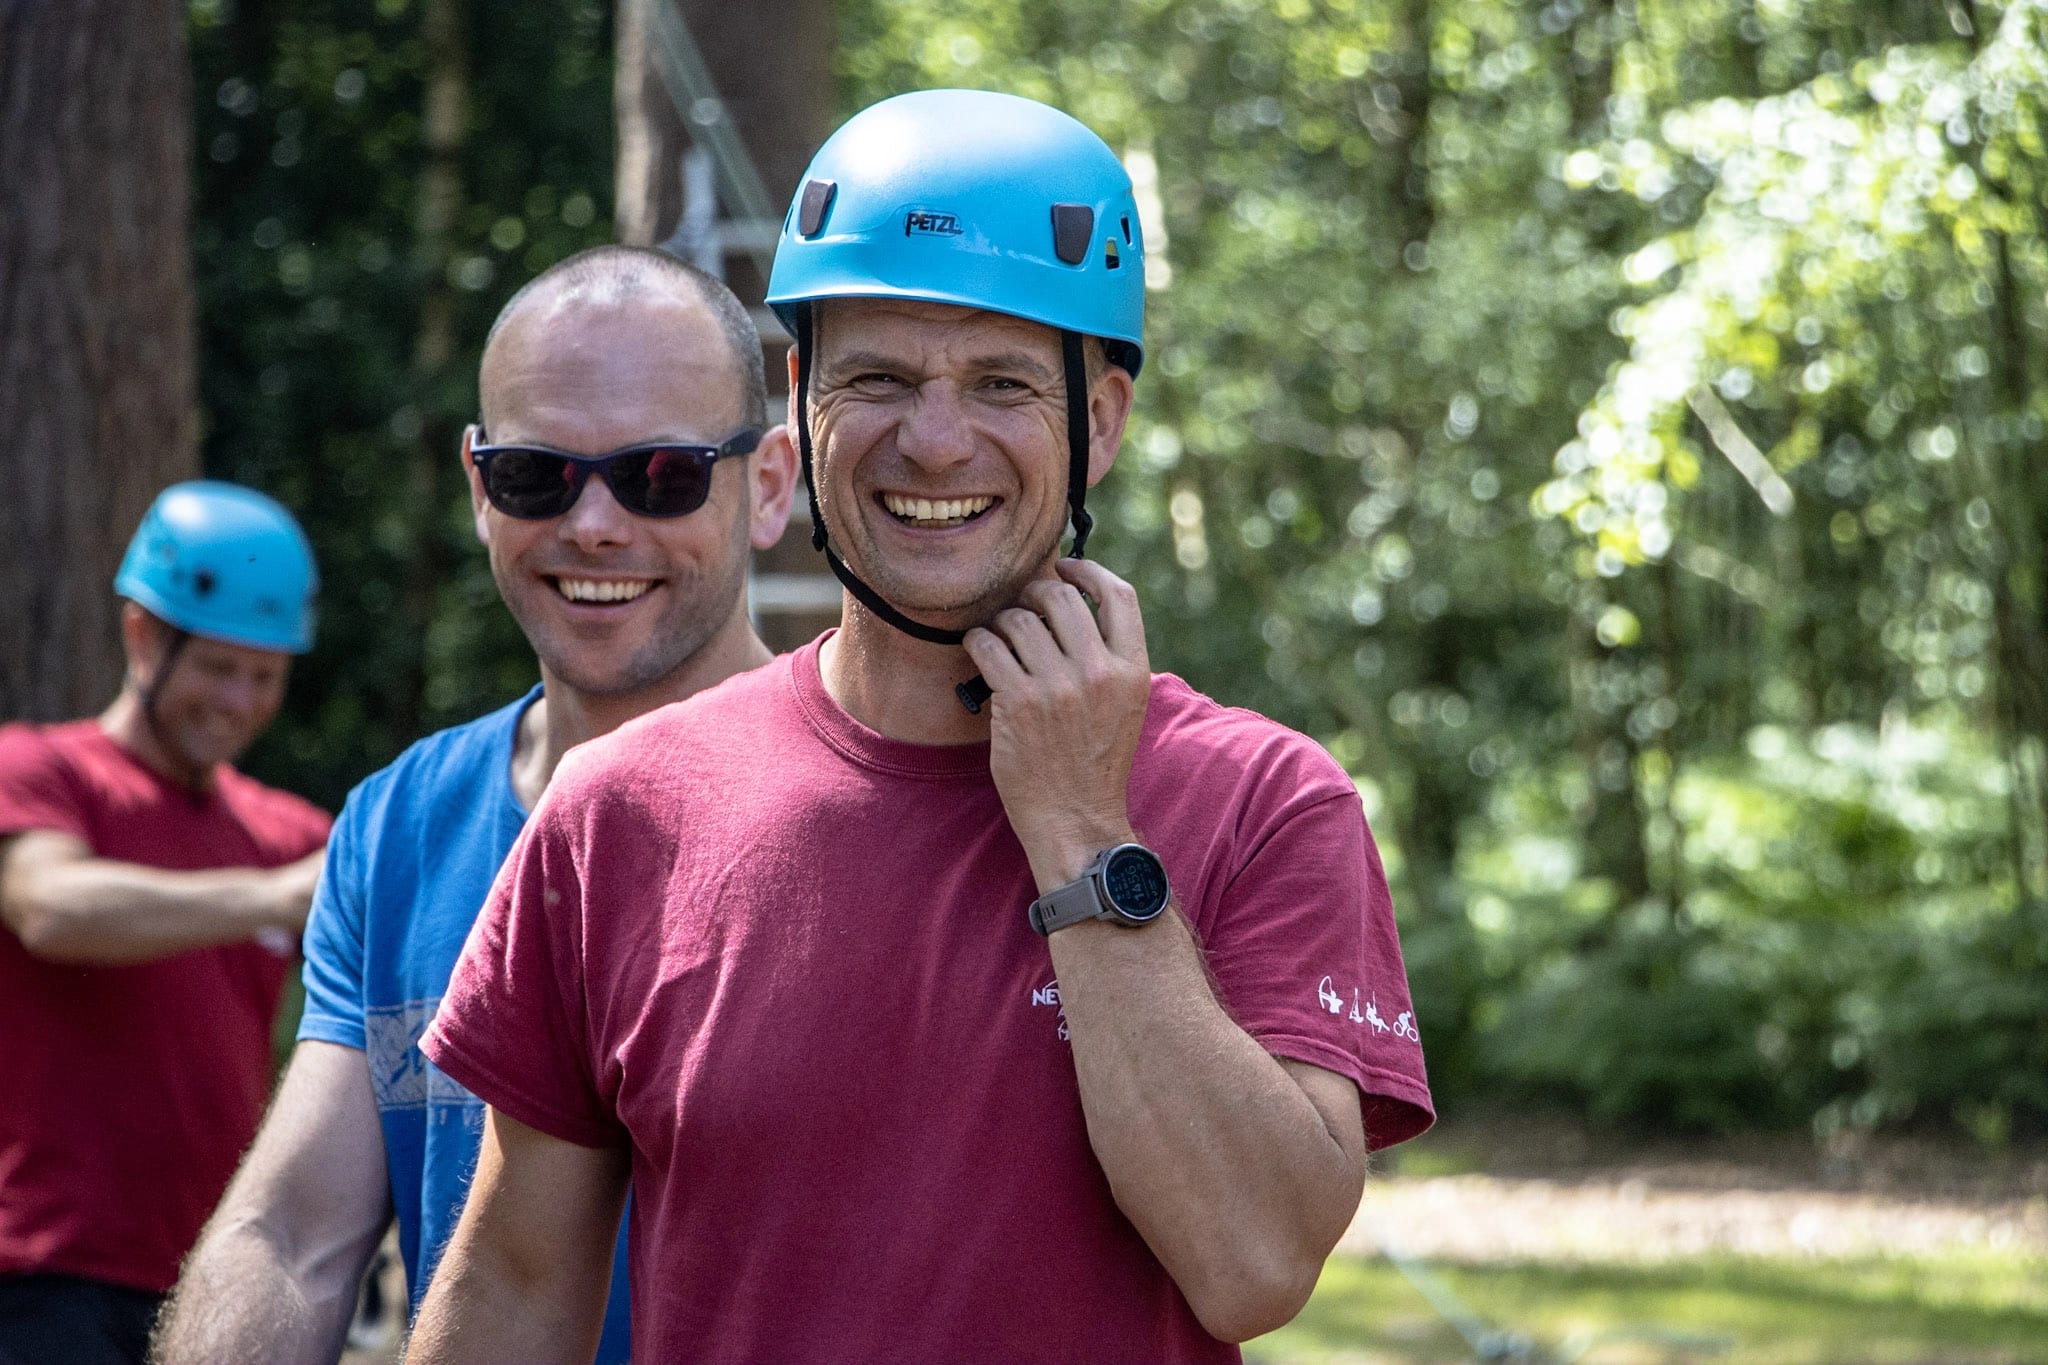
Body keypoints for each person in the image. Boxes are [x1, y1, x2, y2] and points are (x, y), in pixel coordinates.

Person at [408, 90, 1434, 1365]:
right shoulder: (625, 810)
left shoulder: (1264, 802)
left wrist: (1078, 829)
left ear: (1099, 420)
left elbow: (1253, 1266)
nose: (933, 441)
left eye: (1001, 382)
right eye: (878, 379)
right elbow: (511, 1289)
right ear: (803, 403)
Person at [149, 246, 798, 1365]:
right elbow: (293, 1234)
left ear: (772, 482)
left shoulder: (879, 795)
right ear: (476, 484)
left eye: (660, 476)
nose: (593, 524)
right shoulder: (399, 825)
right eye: (536, 476)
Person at [0, 483, 330, 1365]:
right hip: (40, 1282)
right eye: (218, 666)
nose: (239, 700)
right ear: (144, 634)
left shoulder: (288, 833)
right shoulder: (42, 773)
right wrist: (267, 898)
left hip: (212, 1286)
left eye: (265, 676)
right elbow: (50, 906)